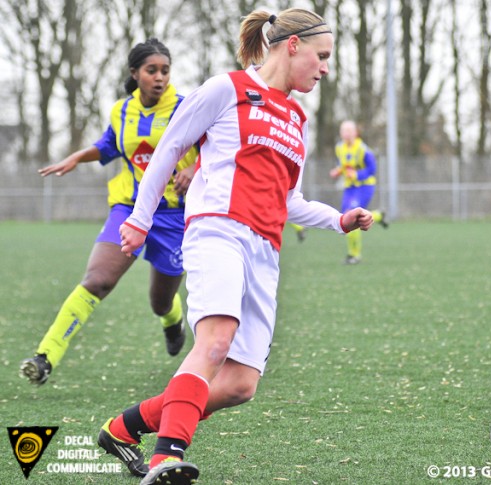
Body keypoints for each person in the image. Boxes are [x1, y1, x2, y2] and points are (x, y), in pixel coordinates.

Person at [96, 9, 373, 485]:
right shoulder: (226, 88)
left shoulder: (296, 117)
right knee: (215, 341)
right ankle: (166, 460)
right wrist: (140, 220)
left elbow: (291, 201)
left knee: (240, 385)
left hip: (265, 249)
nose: (325, 68)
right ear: (292, 45)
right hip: (217, 231)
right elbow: (169, 147)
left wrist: (339, 219)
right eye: (321, 56)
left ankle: (124, 428)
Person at [20, 39, 198, 387]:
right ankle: (45, 357)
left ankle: (172, 320)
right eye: (152, 70)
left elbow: (214, 144)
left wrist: (196, 168)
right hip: (129, 208)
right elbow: (108, 145)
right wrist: (76, 157)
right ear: (135, 74)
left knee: (160, 302)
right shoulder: (121, 110)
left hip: (173, 217)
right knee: (98, 280)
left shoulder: (186, 107)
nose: (159, 77)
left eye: (165, 70)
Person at [329, 120, 388, 264]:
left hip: (364, 187)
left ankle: (354, 255)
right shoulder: (339, 147)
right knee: (345, 217)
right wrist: (338, 171)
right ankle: (379, 215)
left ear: (356, 133)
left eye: (350, 131)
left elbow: (372, 170)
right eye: (344, 131)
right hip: (349, 188)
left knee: (353, 216)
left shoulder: (363, 149)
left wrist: (356, 175)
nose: (347, 134)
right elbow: (343, 164)